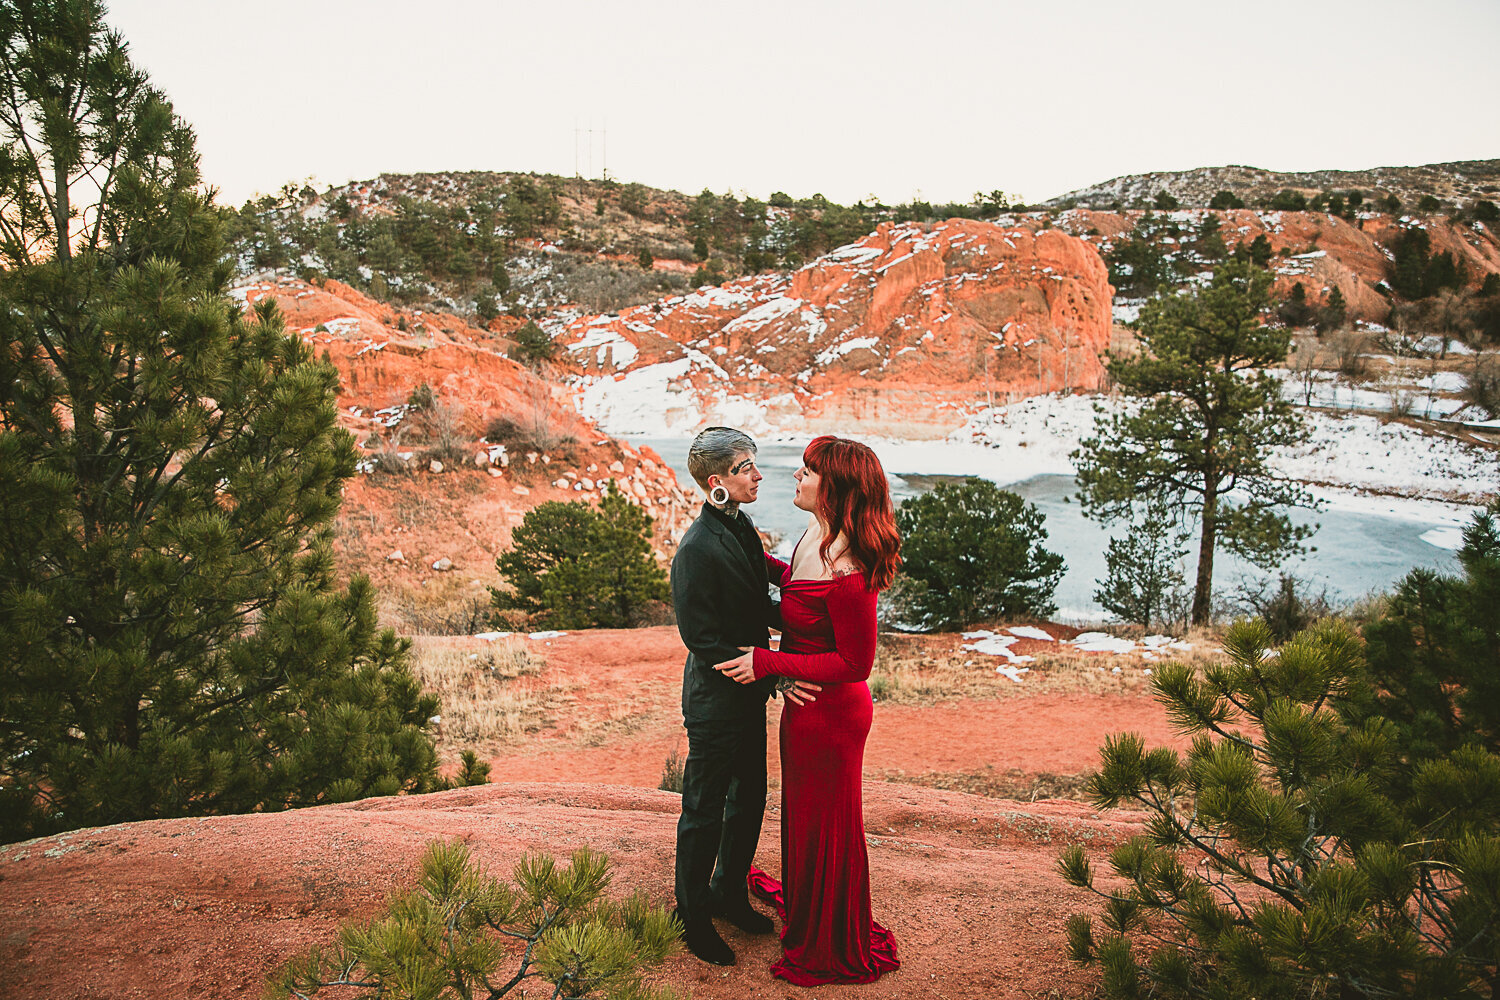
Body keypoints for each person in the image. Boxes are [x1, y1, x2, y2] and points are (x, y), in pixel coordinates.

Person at [717, 434, 903, 986]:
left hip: (833, 716)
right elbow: (794, 592)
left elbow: (854, 662)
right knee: (804, 817)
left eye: (807, 471)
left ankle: (828, 938)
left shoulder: (850, 570)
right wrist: (742, 553)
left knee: (826, 822)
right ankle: (811, 910)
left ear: (835, 487)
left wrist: (770, 664)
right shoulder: (817, 536)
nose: (795, 477)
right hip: (806, 705)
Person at [670, 426, 819, 967]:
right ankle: (690, 915)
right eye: (746, 468)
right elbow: (700, 637)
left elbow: (760, 602)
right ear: (718, 482)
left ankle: (728, 893)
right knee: (703, 810)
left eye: (754, 465)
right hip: (715, 702)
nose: (759, 475)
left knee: (749, 798)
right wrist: (773, 672)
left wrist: (815, 626)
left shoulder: (741, 525)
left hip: (748, 695)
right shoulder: (696, 548)